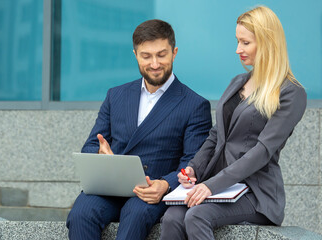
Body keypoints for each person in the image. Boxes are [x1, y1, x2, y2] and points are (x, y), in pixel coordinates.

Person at [160, 6, 307, 240]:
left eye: (245, 42)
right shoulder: (238, 82)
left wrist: (212, 186)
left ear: (268, 42)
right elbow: (217, 136)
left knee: (197, 215)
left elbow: (262, 151)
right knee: (171, 217)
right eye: (238, 41)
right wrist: (193, 169)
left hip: (255, 192)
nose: (238, 49)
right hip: (220, 185)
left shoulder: (291, 93)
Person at [66, 19, 212, 240]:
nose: (154, 63)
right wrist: (100, 155)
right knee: (80, 213)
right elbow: (92, 144)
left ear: (174, 52)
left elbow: (193, 162)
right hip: (110, 188)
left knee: (135, 214)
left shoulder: (195, 105)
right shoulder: (116, 95)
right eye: (146, 56)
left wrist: (165, 184)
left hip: (153, 191)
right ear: (135, 55)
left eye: (161, 55)